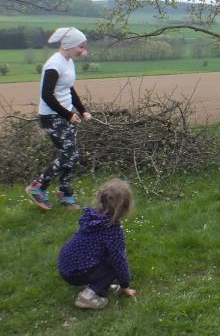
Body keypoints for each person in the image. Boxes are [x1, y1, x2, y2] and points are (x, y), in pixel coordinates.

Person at [25, 27, 91, 211]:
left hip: (65, 114)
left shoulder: (68, 61)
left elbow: (68, 88)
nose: (84, 50)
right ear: (70, 45)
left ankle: (65, 194)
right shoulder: (54, 65)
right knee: (70, 154)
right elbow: (47, 95)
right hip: (52, 117)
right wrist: (68, 114)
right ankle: (38, 187)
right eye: (81, 46)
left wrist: (82, 110)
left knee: (70, 155)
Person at [57, 179, 137, 309]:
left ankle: (97, 281)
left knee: (106, 256)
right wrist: (125, 285)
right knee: (114, 263)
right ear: (124, 207)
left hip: (65, 264)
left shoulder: (91, 217)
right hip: (76, 272)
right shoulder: (112, 230)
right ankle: (89, 295)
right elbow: (119, 261)